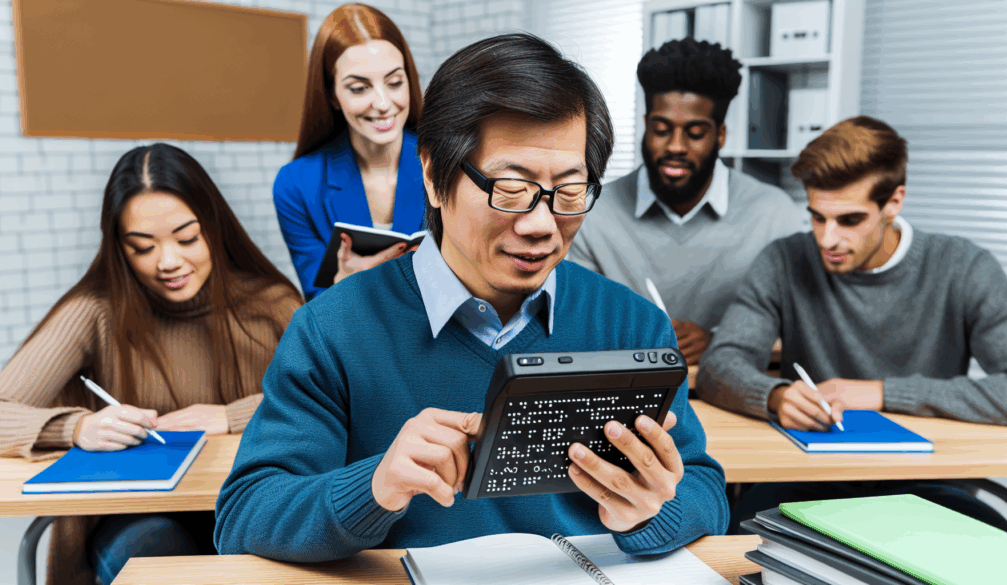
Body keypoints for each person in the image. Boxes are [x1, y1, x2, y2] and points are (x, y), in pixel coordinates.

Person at [214, 33, 728, 563]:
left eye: (570, 192)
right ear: (435, 177)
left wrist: (647, 513)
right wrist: (374, 487)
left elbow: (704, 488)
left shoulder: (630, 324)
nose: (541, 225)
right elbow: (245, 514)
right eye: (509, 188)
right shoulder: (332, 329)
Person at [0, 144, 303, 585]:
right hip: (135, 516)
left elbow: (334, 401)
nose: (168, 262)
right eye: (142, 247)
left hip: (247, 502)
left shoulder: (272, 304)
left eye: (187, 239)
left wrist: (230, 416)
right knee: (156, 556)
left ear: (215, 228)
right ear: (119, 247)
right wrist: (76, 427)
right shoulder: (95, 310)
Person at [695, 116, 1007, 534]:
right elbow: (720, 363)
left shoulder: (965, 267)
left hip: (927, 486)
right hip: (805, 481)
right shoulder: (784, 260)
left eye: (849, 220)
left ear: (894, 202)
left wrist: (880, 393)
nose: (827, 239)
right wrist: (774, 396)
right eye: (817, 217)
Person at [568, 38, 806, 365]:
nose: (676, 146)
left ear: (720, 135)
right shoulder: (593, 212)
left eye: (695, 133)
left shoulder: (773, 214)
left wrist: (723, 342)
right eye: (662, 129)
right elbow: (573, 324)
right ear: (645, 127)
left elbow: (799, 333)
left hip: (726, 394)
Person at [273, 3, 426, 300]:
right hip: (358, 338)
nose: (383, 103)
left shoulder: (449, 162)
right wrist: (344, 286)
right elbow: (317, 301)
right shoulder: (296, 185)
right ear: (332, 94)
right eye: (359, 88)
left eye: (395, 82)